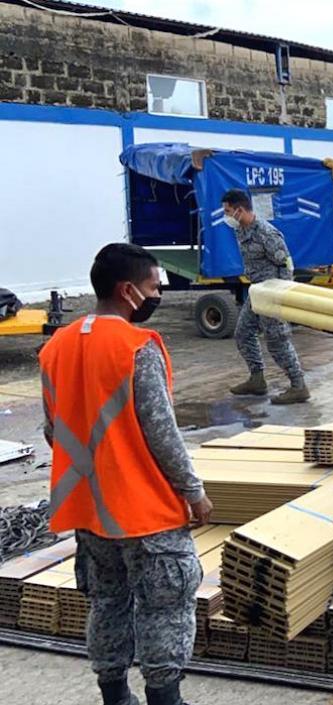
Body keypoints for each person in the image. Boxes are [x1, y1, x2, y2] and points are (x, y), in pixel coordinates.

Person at [39, 243, 212, 705]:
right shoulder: (137, 347)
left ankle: (114, 694)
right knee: (165, 606)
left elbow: (53, 431)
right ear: (128, 291)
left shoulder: (54, 347)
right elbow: (162, 432)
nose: (158, 295)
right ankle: (164, 697)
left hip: (89, 510)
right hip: (145, 510)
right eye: (155, 287)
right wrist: (193, 491)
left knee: (108, 601)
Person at [221, 188, 309, 405]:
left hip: (272, 292)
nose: (226, 216)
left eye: (228, 211)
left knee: (277, 340)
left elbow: (286, 264)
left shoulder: (266, 233)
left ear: (240, 210)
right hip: (257, 291)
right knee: (243, 333)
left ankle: (299, 386)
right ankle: (257, 379)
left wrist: (283, 295)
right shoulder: (241, 229)